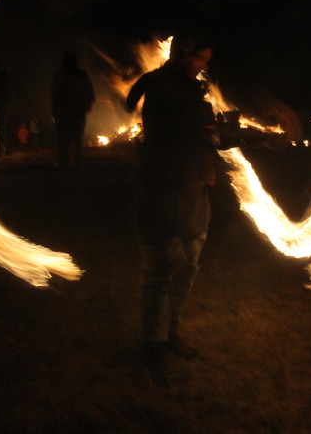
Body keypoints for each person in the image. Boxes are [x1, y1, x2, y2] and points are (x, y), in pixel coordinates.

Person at [125, 35, 220, 385]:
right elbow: (165, 129)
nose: (202, 66)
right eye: (199, 60)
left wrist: (223, 134)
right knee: (161, 267)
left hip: (195, 188)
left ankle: (170, 334)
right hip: (162, 188)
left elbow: (208, 133)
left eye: (206, 61)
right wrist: (204, 129)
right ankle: (152, 344)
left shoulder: (197, 90)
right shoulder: (159, 84)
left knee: (188, 265)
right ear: (182, 54)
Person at [51, 52, 95, 167]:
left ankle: (68, 160)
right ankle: (72, 159)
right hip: (71, 109)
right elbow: (90, 92)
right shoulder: (78, 75)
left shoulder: (64, 75)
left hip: (69, 109)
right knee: (74, 136)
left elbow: (54, 93)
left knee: (66, 136)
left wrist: (54, 108)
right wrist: (88, 104)